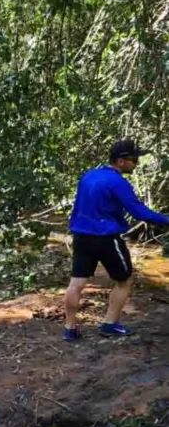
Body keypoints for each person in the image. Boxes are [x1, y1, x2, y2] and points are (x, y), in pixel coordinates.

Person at [64, 139, 169, 342]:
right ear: (121, 161)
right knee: (125, 280)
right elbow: (139, 212)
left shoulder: (89, 175)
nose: (136, 164)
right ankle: (110, 324)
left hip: (81, 237)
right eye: (134, 160)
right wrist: (166, 219)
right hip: (106, 238)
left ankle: (70, 329)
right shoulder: (118, 182)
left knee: (76, 283)